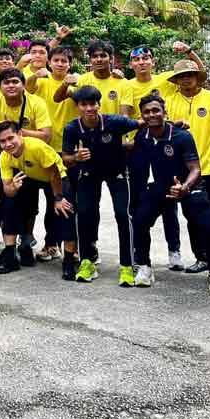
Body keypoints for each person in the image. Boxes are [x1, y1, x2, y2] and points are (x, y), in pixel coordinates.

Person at [128, 95, 210, 297]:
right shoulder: (142, 136)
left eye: (156, 110)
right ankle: (144, 267)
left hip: (189, 186)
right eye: (147, 112)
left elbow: (195, 168)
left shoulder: (182, 136)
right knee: (139, 219)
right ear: (142, 115)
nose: (152, 114)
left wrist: (185, 186)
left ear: (165, 113)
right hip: (161, 187)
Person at [119, 42, 200, 271]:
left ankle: (174, 251)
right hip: (141, 146)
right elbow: (126, 116)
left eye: (146, 58)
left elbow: (197, 72)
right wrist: (129, 140)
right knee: (140, 203)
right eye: (137, 59)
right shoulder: (127, 85)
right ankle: (139, 255)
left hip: (167, 142)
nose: (142, 62)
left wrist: (188, 52)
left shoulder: (165, 78)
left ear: (153, 61)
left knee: (170, 202)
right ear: (131, 64)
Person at [60, 86, 141, 285]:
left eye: (92, 104)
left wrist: (174, 126)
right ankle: (87, 261)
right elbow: (66, 158)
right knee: (85, 213)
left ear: (99, 104)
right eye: (84, 104)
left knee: (123, 214)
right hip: (89, 173)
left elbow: (142, 123)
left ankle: (127, 266)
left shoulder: (114, 121)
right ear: (78, 106)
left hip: (117, 173)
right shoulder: (72, 128)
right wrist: (76, 157)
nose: (89, 108)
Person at [0, 68, 52, 265]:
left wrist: (16, 133)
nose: (11, 85)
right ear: (0, 86)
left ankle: (28, 241)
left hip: (34, 159)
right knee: (2, 200)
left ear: (23, 84)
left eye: (15, 82)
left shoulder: (36, 103)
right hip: (7, 160)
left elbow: (46, 135)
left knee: (31, 204)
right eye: (6, 82)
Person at [164, 59, 210, 275]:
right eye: (181, 76)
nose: (186, 79)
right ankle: (201, 257)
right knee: (191, 217)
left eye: (190, 74)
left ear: (198, 76)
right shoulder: (169, 101)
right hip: (183, 171)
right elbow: (165, 131)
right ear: (176, 80)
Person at [0, 121, 72, 275]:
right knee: (10, 203)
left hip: (56, 178)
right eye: (2, 141)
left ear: (20, 135)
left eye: (10, 138)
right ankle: (14, 250)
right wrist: (13, 188)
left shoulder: (36, 147)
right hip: (32, 177)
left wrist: (58, 198)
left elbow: (54, 172)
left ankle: (69, 257)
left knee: (64, 209)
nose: (8, 144)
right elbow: (7, 189)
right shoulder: (4, 157)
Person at [28, 46, 79, 262]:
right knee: (40, 200)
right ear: (49, 62)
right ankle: (42, 242)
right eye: (56, 60)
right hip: (43, 147)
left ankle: (60, 244)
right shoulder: (41, 81)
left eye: (64, 61)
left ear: (70, 63)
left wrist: (69, 83)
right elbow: (28, 88)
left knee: (62, 200)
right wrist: (33, 74)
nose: (60, 64)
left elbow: (74, 99)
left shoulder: (78, 84)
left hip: (67, 149)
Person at [76, 40, 125, 115]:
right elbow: (58, 98)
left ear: (111, 59)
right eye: (95, 56)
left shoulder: (123, 83)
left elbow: (125, 116)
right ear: (90, 60)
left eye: (103, 56)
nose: (99, 59)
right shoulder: (81, 81)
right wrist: (66, 83)